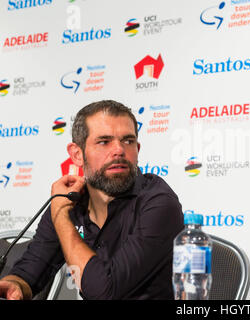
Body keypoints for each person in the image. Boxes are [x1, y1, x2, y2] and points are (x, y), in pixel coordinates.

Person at [0, 100, 184, 300]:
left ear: (137, 150)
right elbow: (29, 273)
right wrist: (15, 285)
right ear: (77, 154)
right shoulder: (69, 202)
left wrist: (61, 218)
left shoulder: (159, 203)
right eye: (104, 142)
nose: (119, 150)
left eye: (128, 141)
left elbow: (105, 292)